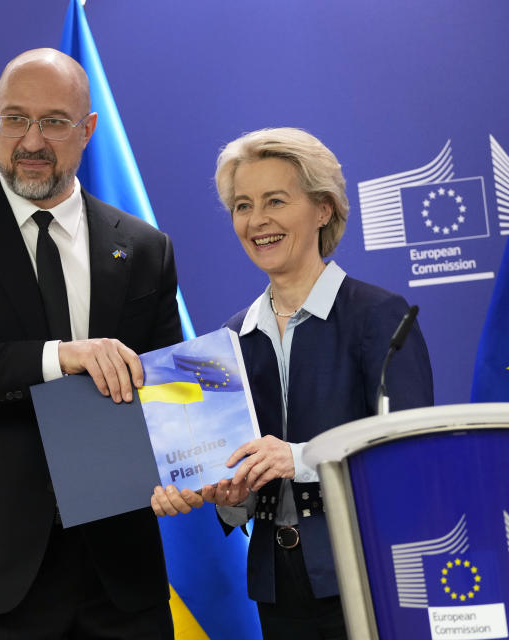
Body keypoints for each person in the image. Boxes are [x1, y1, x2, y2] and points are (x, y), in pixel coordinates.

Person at [0, 48, 181, 639]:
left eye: (54, 121)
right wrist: (57, 357)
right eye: (15, 119)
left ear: (88, 130)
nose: (32, 140)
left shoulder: (144, 247)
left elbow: (166, 387)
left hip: (119, 571)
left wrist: (192, 470)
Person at [151, 127, 433, 639]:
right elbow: (238, 484)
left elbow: (410, 455)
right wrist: (221, 489)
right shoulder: (231, 339)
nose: (256, 221)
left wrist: (297, 458)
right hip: (276, 584)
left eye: (275, 201)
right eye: (242, 205)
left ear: (323, 209)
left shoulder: (379, 316)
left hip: (368, 573)